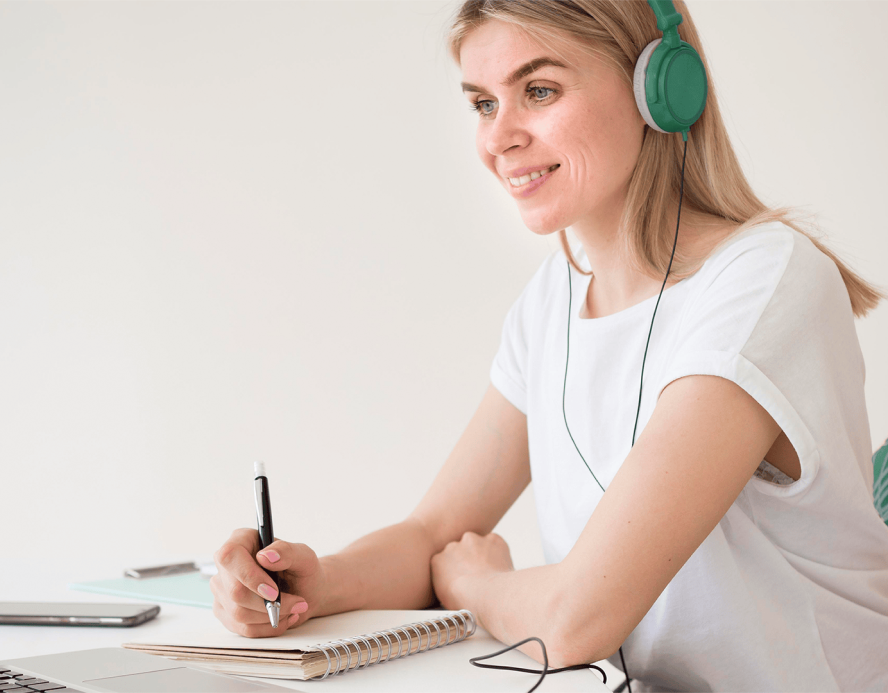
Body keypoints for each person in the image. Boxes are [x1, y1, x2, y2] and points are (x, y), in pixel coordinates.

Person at [210, 1, 888, 689]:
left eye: (538, 91)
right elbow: (435, 533)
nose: (499, 137)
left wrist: (480, 585)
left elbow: (575, 620)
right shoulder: (553, 301)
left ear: (659, 90)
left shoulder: (765, 281)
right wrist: (311, 582)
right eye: (482, 103)